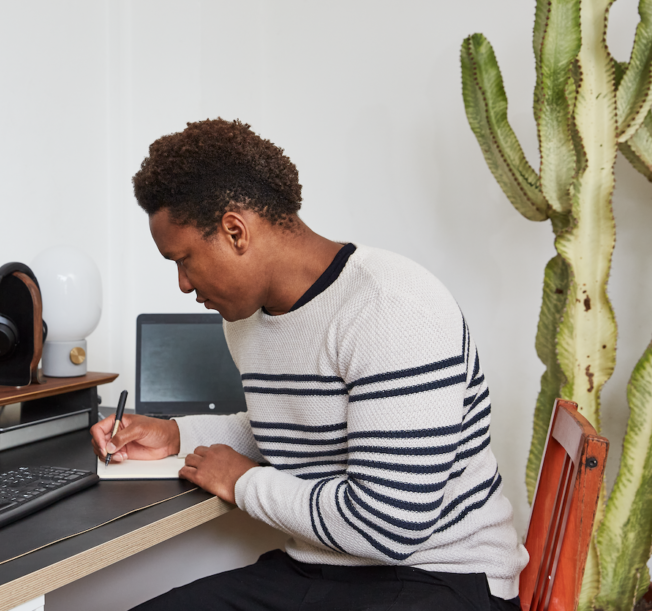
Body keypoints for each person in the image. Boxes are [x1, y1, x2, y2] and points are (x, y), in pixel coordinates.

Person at [90, 119, 527, 610]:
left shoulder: (392, 307)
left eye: (184, 259)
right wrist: (176, 435)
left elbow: (390, 526)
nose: (184, 285)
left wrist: (243, 482)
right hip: (319, 568)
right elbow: (294, 426)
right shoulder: (245, 320)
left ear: (235, 231)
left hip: (438, 576)